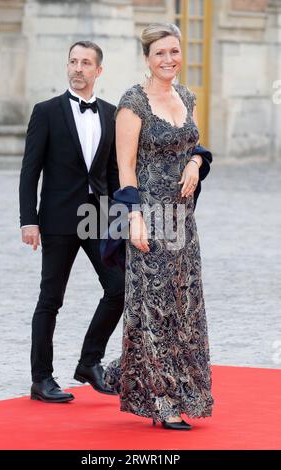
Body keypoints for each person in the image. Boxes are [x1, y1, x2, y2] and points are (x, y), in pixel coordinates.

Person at [104, 23, 214, 429]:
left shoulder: (187, 95)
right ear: (147, 58)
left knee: (185, 307)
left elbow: (196, 144)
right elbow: (125, 168)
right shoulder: (133, 102)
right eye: (160, 53)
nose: (169, 60)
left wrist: (195, 163)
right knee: (154, 309)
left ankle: (147, 379)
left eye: (174, 51)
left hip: (184, 220)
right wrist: (133, 219)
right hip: (149, 219)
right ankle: (160, 400)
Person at [19, 41, 125, 402]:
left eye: (86, 63)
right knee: (51, 299)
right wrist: (28, 221)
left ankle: (89, 361)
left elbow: (111, 174)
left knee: (119, 287)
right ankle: (41, 379)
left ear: (99, 71)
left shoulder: (111, 114)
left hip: (97, 219)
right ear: (67, 67)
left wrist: (118, 220)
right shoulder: (46, 111)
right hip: (58, 219)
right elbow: (29, 170)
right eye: (73, 62)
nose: (78, 68)